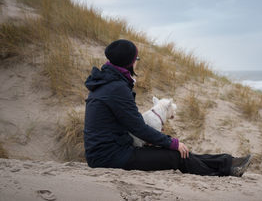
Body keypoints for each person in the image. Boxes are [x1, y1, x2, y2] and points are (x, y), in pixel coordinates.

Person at [84, 39, 251, 176]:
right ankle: (225, 171)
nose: (137, 63)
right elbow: (138, 127)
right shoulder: (116, 88)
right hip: (109, 156)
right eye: (136, 59)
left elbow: (128, 125)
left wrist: (167, 142)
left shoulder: (108, 81)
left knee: (178, 150)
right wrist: (171, 143)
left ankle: (226, 162)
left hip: (112, 149)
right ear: (128, 62)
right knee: (176, 154)